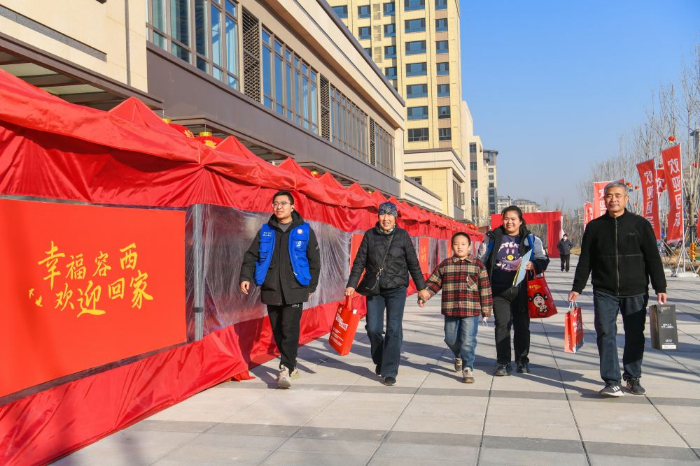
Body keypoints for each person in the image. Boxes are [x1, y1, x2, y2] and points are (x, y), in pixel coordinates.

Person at [568, 181, 667, 397]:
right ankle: (611, 381)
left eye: (618, 195)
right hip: (604, 290)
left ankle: (632, 377)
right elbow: (586, 259)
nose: (613, 199)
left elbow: (652, 258)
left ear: (626, 198)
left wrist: (660, 286)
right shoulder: (594, 227)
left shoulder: (640, 224)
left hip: (636, 290)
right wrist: (577, 287)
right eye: (609, 196)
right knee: (605, 332)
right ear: (604, 199)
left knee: (635, 335)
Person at [239, 191, 321, 389]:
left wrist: (311, 286)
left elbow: (314, 260)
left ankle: (286, 367)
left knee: (289, 328)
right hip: (271, 287)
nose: (279, 207)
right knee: (277, 329)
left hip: (295, 287)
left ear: (292, 207)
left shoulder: (304, 230)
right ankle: (291, 364)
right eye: (275, 203)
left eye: (283, 203)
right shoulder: (266, 230)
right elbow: (251, 255)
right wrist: (245, 277)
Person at [345, 202, 427, 386]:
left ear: (395, 217)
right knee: (373, 328)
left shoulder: (402, 235)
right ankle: (380, 359)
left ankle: (390, 370)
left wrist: (421, 288)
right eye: (383, 214)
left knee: (393, 328)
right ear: (378, 216)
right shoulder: (370, 235)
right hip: (375, 288)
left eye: (390, 215)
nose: (386, 218)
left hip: (397, 289)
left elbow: (413, 263)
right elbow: (359, 262)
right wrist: (351, 284)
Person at [478, 205, 549, 376]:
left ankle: (522, 361)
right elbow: (480, 260)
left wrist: (533, 264)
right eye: (506, 219)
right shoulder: (492, 237)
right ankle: (502, 363)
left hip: (522, 290)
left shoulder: (531, 239)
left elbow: (543, 259)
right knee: (502, 325)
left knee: (522, 326)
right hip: (499, 290)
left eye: (513, 219)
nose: (509, 222)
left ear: (520, 221)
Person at [417, 232, 492, 383]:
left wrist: (486, 309)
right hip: (451, 308)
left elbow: (485, 288)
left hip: (470, 309)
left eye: (463, 244)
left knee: (468, 340)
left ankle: (468, 367)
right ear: (452, 246)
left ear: (469, 246)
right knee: (450, 338)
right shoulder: (446, 264)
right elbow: (434, 283)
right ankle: (458, 355)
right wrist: (424, 296)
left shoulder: (477, 265)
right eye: (456, 244)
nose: (460, 247)